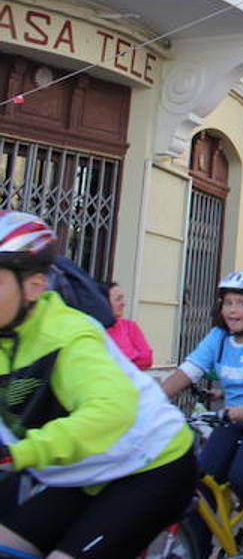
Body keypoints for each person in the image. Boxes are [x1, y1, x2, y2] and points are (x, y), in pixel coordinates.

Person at [0, 211, 198, 558]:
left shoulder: (69, 335)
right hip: (80, 469)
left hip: (150, 464)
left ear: (33, 286)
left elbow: (111, 410)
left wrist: (19, 452)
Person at [161, 270, 243, 536]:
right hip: (233, 419)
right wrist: (151, 401)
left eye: (242, 304)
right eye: (228, 303)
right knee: (203, 479)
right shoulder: (218, 337)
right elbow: (189, 370)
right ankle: (196, 548)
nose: (233, 311)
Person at [106, 280, 153, 370]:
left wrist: (116, 359)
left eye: (122, 298)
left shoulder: (130, 326)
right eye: (118, 299)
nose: (123, 303)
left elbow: (147, 359)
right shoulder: (95, 327)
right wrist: (132, 356)